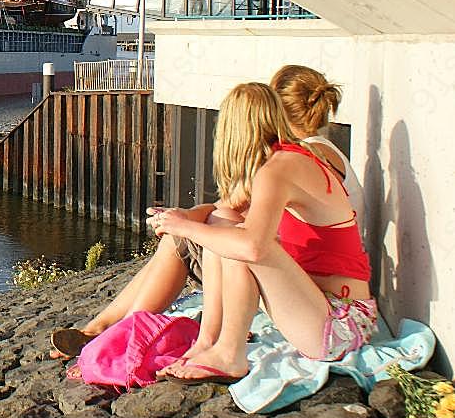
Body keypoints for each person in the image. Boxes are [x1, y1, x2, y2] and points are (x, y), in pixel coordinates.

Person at [48, 65, 351, 358]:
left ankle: (119, 334)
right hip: (307, 294)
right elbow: (228, 207)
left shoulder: (287, 164)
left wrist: (184, 225)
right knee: (200, 231)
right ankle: (107, 330)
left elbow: (249, 241)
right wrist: (182, 219)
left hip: (323, 309)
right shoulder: (307, 154)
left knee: (209, 237)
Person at [153, 82, 373, 383]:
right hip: (319, 309)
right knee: (223, 222)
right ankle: (208, 342)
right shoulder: (284, 160)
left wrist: (183, 226)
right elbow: (224, 213)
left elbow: (253, 247)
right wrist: (185, 221)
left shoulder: (280, 169)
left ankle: (230, 354)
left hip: (343, 325)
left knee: (243, 242)